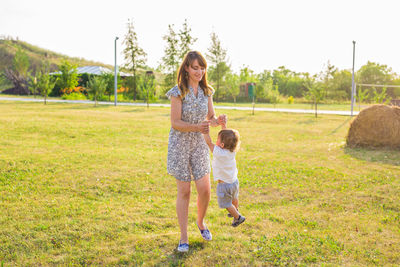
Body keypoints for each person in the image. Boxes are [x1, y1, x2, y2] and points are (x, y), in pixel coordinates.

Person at [166, 51, 227, 253]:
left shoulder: (207, 91)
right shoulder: (177, 92)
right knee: (184, 191)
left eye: (202, 68)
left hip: (200, 145)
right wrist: (196, 127)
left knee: (205, 189)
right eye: (195, 67)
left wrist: (218, 121)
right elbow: (175, 122)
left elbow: (210, 117)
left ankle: (200, 222)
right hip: (180, 146)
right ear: (186, 68)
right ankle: (183, 237)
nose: (199, 71)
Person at [203, 125, 246, 227]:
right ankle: (235, 210)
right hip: (234, 182)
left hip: (224, 185)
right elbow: (226, 137)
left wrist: (205, 132)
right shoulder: (232, 151)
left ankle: (237, 217)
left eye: (217, 139)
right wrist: (223, 126)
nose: (216, 140)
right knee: (234, 197)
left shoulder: (219, 152)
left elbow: (209, 142)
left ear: (222, 144)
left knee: (226, 204)